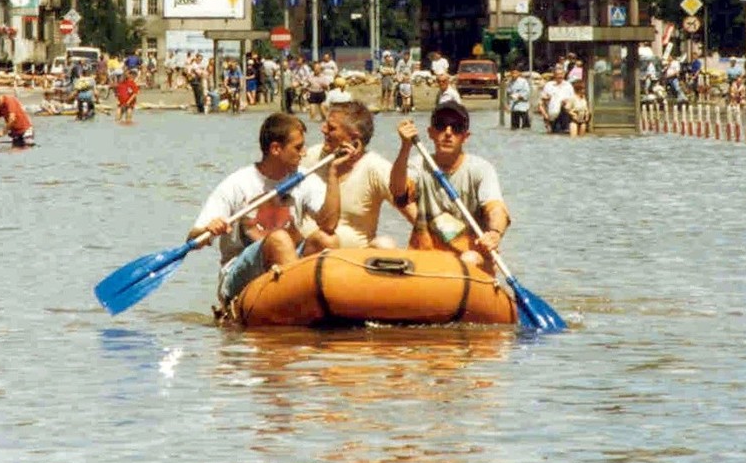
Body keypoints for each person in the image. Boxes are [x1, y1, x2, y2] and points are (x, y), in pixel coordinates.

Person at [188, 112, 342, 309]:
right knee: (279, 239)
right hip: (238, 271)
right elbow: (193, 240)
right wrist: (209, 229)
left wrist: (333, 173)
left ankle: (320, 305)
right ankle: (297, 304)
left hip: (289, 261)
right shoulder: (237, 184)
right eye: (298, 147)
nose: (304, 153)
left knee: (327, 240)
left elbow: (329, 224)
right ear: (276, 149)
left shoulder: (304, 178)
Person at [389, 103, 509, 270]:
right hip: (426, 254)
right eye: (441, 125)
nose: (448, 132)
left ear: (465, 136)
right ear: (430, 133)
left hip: (470, 256)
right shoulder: (417, 165)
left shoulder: (480, 169)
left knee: (469, 259)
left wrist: (495, 233)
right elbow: (397, 192)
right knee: (383, 245)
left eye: (456, 127)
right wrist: (405, 148)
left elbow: (496, 208)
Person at [301, 100, 415, 248]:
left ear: (354, 138)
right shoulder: (311, 157)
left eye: (331, 128)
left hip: (353, 260)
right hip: (307, 254)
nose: (323, 129)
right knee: (323, 239)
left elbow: (415, 215)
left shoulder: (375, 167)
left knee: (385, 245)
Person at [539, 61, 575, 134]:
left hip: (565, 116)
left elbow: (573, 100)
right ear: (554, 75)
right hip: (551, 116)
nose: (560, 76)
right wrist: (545, 116)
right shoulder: (549, 85)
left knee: (563, 135)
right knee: (553, 135)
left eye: (561, 74)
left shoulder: (568, 85)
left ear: (564, 75)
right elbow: (541, 103)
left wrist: (567, 102)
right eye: (558, 74)